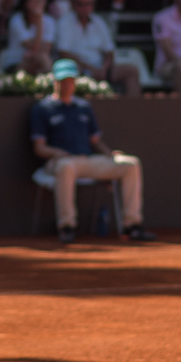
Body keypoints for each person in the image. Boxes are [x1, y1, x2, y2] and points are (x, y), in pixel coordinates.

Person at [30, 59, 150, 246]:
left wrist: (111, 154)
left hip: (87, 161)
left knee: (130, 164)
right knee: (66, 166)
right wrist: (58, 153)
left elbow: (95, 141)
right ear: (55, 81)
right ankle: (67, 226)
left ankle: (132, 225)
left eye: (71, 80)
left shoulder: (84, 107)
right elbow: (39, 147)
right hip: (60, 162)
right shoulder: (42, 109)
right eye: (63, 80)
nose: (67, 84)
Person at [53, 0, 138, 96]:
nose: (85, 8)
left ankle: (133, 110)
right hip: (80, 69)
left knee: (131, 71)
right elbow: (63, 53)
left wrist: (104, 68)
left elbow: (109, 51)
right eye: (81, 4)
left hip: (100, 69)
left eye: (89, 4)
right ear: (73, 4)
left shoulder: (99, 22)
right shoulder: (64, 23)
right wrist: (89, 69)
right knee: (72, 70)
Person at [0, 0, 57, 74]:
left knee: (43, 59)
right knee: (40, 61)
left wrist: (39, 19)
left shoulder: (50, 21)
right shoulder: (16, 20)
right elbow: (34, 48)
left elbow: (46, 50)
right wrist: (39, 22)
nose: (38, 4)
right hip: (15, 63)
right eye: (34, 1)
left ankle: (51, 84)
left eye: (40, 1)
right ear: (26, 3)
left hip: (38, 61)